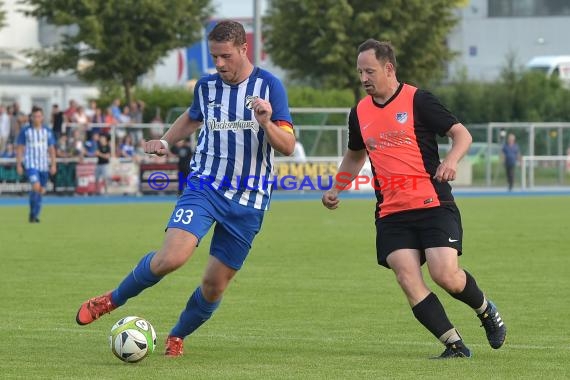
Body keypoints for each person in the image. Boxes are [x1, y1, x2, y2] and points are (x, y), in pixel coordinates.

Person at [75, 20, 296, 357]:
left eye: (225, 56)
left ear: (243, 49)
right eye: (214, 57)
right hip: (205, 186)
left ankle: (177, 335)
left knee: (213, 286)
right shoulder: (206, 87)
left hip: (249, 201)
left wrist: (266, 123)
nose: (219, 64)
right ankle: (110, 299)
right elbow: (193, 117)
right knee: (172, 258)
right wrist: (165, 140)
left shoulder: (270, 87)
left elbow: (289, 146)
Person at [322, 39, 506, 359]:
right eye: (359, 72)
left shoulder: (418, 100)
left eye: (370, 71)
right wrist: (337, 187)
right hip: (391, 212)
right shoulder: (359, 113)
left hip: (432, 203)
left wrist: (451, 161)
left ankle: (486, 310)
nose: (364, 78)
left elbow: (462, 134)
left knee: (444, 274)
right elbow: (354, 155)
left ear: (389, 69)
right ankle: (454, 345)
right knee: (407, 278)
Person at [16, 106, 57, 223]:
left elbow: (52, 149)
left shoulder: (47, 131)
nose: (37, 119)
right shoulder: (26, 131)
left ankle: (34, 213)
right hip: (31, 163)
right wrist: (19, 164)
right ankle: (33, 215)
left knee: (40, 190)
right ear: (31, 118)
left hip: (44, 165)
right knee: (36, 186)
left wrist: (53, 164)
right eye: (34, 116)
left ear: (42, 117)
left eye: (39, 116)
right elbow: (19, 148)